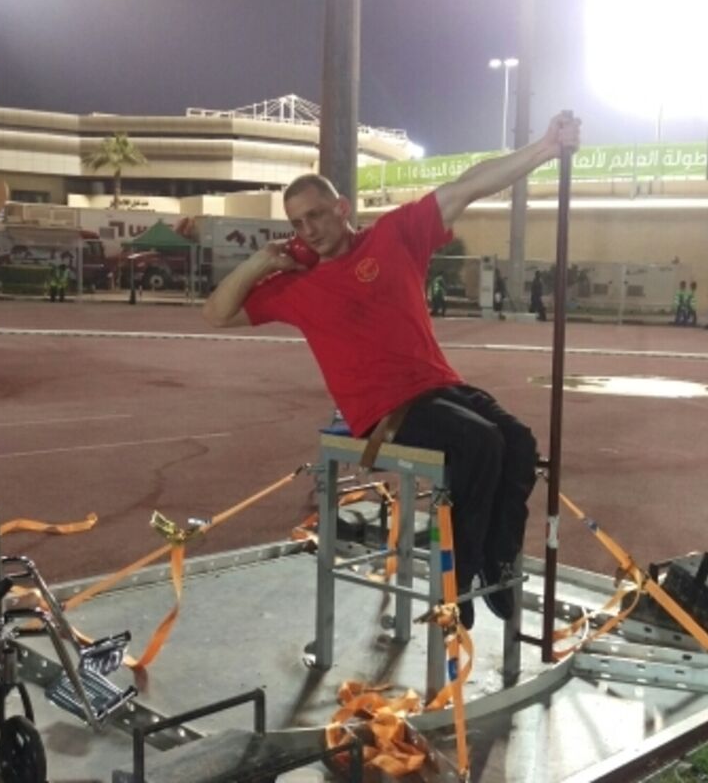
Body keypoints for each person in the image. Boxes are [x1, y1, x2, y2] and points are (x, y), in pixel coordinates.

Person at [203, 112, 581, 629]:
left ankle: (496, 560)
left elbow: (466, 187)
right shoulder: (294, 287)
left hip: (440, 385)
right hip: (384, 410)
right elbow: (216, 314)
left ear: (342, 207)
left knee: (517, 441)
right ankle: (456, 579)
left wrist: (544, 149)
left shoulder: (394, 235)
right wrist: (262, 262)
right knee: (481, 443)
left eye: (316, 215)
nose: (308, 230)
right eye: (297, 224)